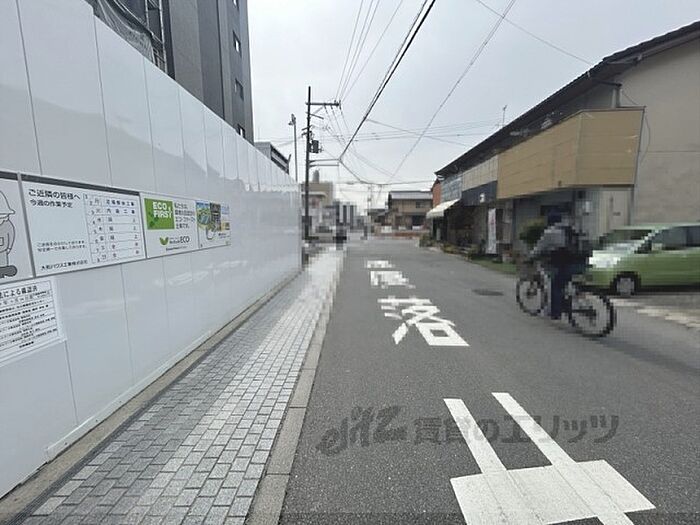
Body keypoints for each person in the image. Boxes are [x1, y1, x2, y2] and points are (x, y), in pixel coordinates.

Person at [528, 213, 589, 320]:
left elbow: (539, 248)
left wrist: (530, 257)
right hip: (580, 262)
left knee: (556, 285)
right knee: (564, 283)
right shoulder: (571, 230)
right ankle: (567, 303)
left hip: (565, 265)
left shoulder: (550, 232)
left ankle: (555, 312)